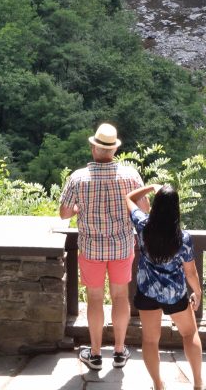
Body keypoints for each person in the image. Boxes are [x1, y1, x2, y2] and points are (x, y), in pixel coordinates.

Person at [59, 123, 144, 371]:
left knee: (95, 299)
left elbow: (64, 213)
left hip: (91, 249)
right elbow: (145, 210)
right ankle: (119, 352)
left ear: (94, 147)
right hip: (122, 247)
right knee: (120, 297)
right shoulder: (130, 176)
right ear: (114, 149)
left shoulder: (78, 178)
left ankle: (95, 354)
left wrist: (77, 209)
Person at [125, 183, 206, 390]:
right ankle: (198, 383)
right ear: (176, 210)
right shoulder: (183, 238)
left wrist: (150, 187)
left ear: (155, 207)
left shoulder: (143, 225)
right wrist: (197, 292)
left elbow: (128, 198)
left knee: (150, 340)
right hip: (175, 294)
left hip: (147, 291)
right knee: (189, 334)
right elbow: (191, 272)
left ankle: (158, 385)